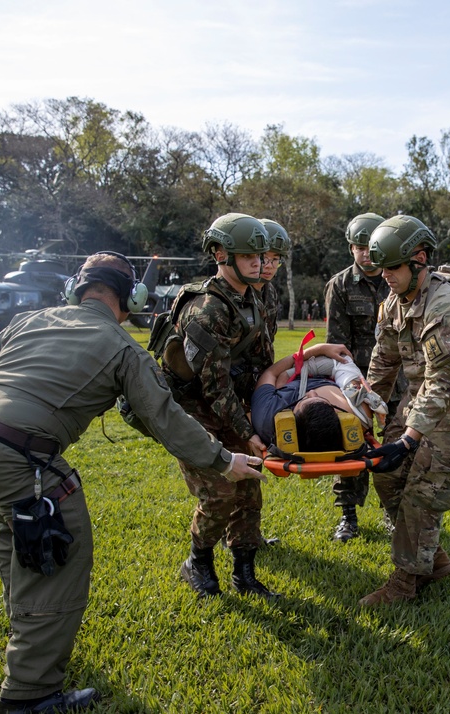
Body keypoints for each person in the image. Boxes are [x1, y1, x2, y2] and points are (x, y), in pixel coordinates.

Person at [0, 251, 264, 713]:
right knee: (58, 558)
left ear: (78, 286)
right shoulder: (123, 347)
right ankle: (30, 696)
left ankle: (30, 641)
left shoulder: (29, 320)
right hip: (22, 457)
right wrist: (221, 459)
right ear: (132, 297)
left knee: (19, 540)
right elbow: (164, 416)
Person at [359, 215, 450, 606]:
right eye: (380, 267)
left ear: (419, 258)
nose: (385, 275)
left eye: (393, 267)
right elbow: (383, 364)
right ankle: (432, 558)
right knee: (386, 476)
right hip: (421, 399)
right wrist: (367, 409)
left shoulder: (448, 308)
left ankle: (405, 583)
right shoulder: (394, 303)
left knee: (423, 492)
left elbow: (444, 384)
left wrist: (408, 439)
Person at [159, 213, 279, 600]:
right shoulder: (207, 308)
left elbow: (261, 364)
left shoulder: (253, 301)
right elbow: (214, 385)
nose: (258, 263)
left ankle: (244, 574)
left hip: (230, 410)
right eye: (249, 257)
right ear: (221, 254)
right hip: (193, 416)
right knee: (219, 495)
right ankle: (198, 561)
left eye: (261, 256)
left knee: (249, 492)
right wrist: (248, 432)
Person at [324, 212, 394, 541]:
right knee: (349, 445)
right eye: (358, 247)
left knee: (396, 444)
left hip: (397, 379)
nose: (365, 253)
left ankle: (392, 510)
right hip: (355, 380)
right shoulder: (339, 286)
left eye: (371, 246)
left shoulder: (398, 277)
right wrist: (354, 385)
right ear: (351, 249)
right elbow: (338, 345)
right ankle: (348, 516)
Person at [250, 342, 386, 451]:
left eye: (305, 399)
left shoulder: (267, 417)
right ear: (337, 415)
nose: (311, 392)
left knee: (281, 377)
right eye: (325, 401)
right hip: (328, 373)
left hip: (296, 376)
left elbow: (270, 373)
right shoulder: (357, 415)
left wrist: (313, 351)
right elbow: (344, 362)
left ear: (291, 418)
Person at [255, 218, 291, 366]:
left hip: (262, 380)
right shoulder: (236, 292)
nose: (269, 266)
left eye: (275, 259)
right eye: (263, 258)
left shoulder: (269, 291)